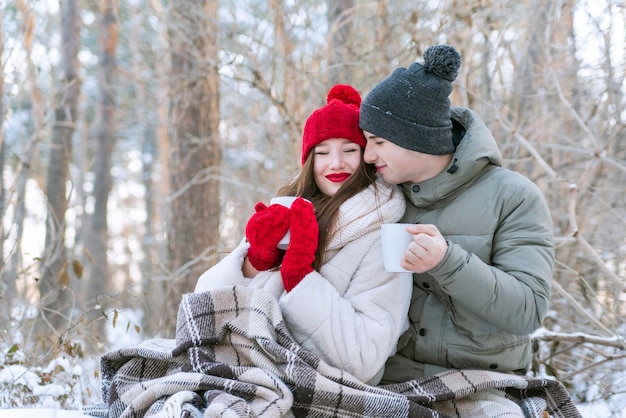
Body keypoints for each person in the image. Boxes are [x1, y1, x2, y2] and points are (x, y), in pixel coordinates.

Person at [359, 45, 554, 412]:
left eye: (379, 142)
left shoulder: (513, 195)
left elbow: (528, 310)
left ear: (415, 139)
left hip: (482, 383)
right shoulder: (380, 198)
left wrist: (446, 261)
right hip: (388, 379)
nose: (369, 156)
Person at [195, 84, 412, 386]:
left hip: (321, 386)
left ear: (368, 157)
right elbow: (200, 307)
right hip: (246, 369)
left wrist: (300, 278)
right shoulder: (285, 210)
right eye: (322, 152)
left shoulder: (387, 237)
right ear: (310, 162)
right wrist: (254, 260)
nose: (335, 163)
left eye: (349, 150)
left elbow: (366, 358)